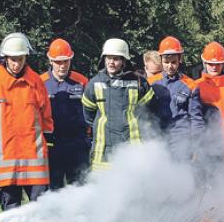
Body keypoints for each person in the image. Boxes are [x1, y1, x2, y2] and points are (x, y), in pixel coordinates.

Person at [0, 33, 53, 213]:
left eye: (20, 59)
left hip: (35, 158)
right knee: (10, 207)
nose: (16, 64)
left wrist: (51, 147)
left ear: (26, 57)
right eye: (12, 60)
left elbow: (46, 117)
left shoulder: (36, 82)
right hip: (5, 159)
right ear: (5, 58)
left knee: (40, 208)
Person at [81, 38, 160, 170]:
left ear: (124, 60)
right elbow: (88, 115)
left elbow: (149, 112)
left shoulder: (139, 83)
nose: (111, 62)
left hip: (132, 149)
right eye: (108, 58)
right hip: (103, 150)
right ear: (103, 59)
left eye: (116, 58)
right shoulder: (94, 83)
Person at [40, 38, 90, 189]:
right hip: (52, 144)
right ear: (50, 60)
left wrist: (88, 137)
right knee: (53, 188)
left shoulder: (81, 81)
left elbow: (91, 110)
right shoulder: (40, 82)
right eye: (58, 62)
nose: (62, 66)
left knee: (80, 187)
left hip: (77, 145)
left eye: (66, 61)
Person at [147, 36, 203, 161]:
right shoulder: (150, 83)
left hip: (181, 140)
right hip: (157, 137)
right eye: (166, 62)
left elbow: (196, 119)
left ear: (180, 59)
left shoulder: (191, 85)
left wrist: (197, 147)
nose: (170, 66)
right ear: (161, 60)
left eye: (173, 62)